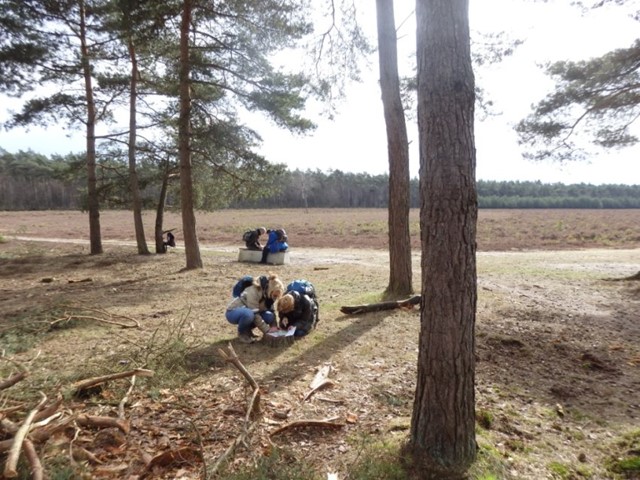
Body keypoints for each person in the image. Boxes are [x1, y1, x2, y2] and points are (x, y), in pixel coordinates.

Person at [225, 273, 284, 344]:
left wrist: (274, 327)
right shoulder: (254, 291)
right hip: (233, 312)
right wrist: (267, 331)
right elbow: (255, 314)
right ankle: (242, 333)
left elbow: (272, 311)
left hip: (251, 312)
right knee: (249, 314)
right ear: (271, 290)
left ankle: (248, 331)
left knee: (269, 316)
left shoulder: (269, 295)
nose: (275, 298)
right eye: (275, 295)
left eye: (277, 296)